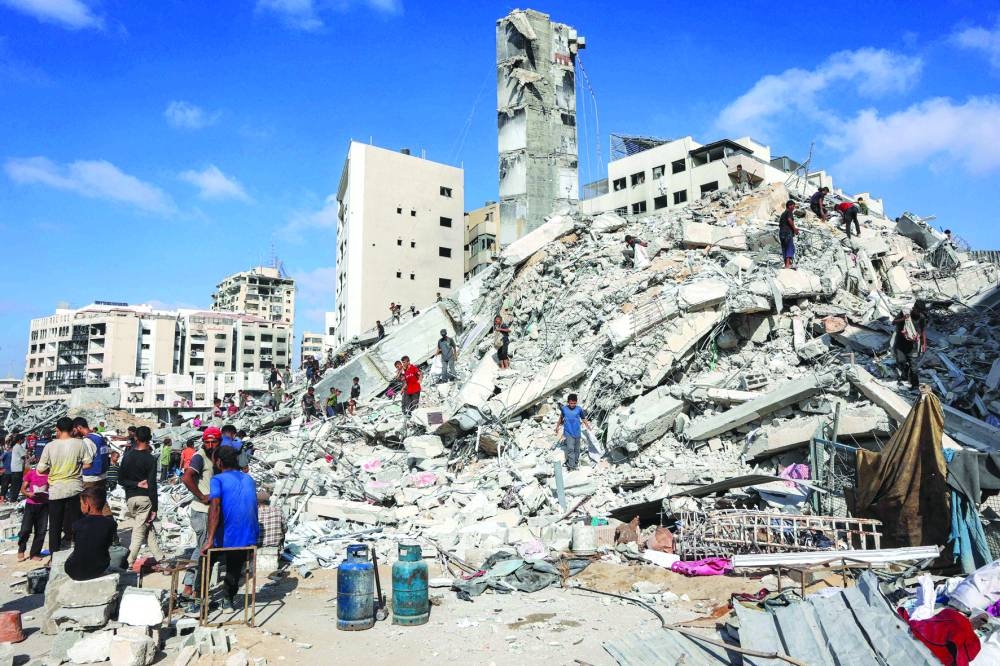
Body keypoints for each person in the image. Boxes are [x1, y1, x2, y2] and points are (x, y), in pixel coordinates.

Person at [203, 446, 258, 611]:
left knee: (205, 559)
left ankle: (199, 599)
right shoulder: (249, 479)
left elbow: (215, 508)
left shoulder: (218, 479)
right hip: (248, 536)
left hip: (228, 534)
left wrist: (210, 539)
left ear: (219, 462)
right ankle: (228, 600)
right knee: (234, 565)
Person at [37, 417, 92, 553]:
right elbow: (88, 464)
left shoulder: (50, 446)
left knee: (55, 525)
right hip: (75, 488)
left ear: (57, 429)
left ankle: (54, 554)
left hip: (56, 490)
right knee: (77, 522)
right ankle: (79, 551)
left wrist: (54, 470)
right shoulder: (80, 444)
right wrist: (75, 468)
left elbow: (40, 470)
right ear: (73, 429)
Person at [182, 427, 221, 611]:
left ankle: (190, 586)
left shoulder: (215, 457)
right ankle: (192, 589)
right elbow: (186, 478)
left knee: (202, 548)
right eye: (207, 442)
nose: (210, 445)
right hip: (202, 510)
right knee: (203, 549)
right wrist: (201, 496)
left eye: (213, 442)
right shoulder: (199, 457)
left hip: (210, 511)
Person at [119, 426, 163, 566]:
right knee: (139, 532)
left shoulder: (127, 456)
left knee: (146, 526)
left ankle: (160, 558)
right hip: (145, 499)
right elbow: (152, 485)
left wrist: (135, 484)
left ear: (136, 438)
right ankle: (128, 563)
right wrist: (155, 508)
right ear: (149, 439)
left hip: (130, 499)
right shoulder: (150, 459)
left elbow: (120, 480)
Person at [64, 486, 116, 581]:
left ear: (87, 505)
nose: (80, 506)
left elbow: (77, 544)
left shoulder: (77, 524)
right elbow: (107, 545)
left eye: (81, 503)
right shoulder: (111, 524)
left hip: (73, 570)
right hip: (98, 569)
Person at [17, 459, 48, 561]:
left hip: (44, 505)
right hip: (31, 505)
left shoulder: (50, 475)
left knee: (41, 531)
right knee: (25, 529)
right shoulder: (31, 473)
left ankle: (35, 553)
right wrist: (28, 494)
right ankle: (21, 550)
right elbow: (23, 489)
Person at [893, 303, 928, 389]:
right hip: (900, 343)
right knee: (901, 361)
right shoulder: (904, 313)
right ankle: (904, 375)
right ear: (913, 308)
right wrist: (903, 319)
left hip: (913, 345)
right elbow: (893, 322)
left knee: (914, 368)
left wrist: (923, 344)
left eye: (920, 311)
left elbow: (923, 331)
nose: (918, 313)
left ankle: (915, 386)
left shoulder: (921, 318)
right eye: (917, 310)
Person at [556, 393, 592, 471]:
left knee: (577, 449)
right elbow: (561, 418)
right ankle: (571, 466)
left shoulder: (579, 409)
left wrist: (588, 426)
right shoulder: (564, 409)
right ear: (568, 402)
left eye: (574, 403)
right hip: (568, 432)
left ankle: (575, 463)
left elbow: (583, 418)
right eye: (571, 403)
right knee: (570, 449)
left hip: (577, 431)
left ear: (576, 402)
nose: (572, 405)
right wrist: (557, 426)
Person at [74, 418, 110, 490]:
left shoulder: (87, 441)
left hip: (90, 479)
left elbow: (87, 464)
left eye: (74, 430)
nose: (74, 432)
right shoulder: (99, 436)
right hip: (103, 476)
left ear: (79, 428)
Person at [778, 200, 799, 269]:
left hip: (781, 232)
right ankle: (787, 265)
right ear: (789, 206)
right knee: (789, 247)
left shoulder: (783, 214)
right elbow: (789, 219)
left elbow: (780, 224)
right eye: (793, 206)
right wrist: (794, 229)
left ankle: (786, 264)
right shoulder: (789, 212)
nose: (793, 208)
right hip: (787, 232)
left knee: (784, 248)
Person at [8, 436, 26, 502]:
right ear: (19, 440)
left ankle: (12, 498)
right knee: (17, 484)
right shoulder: (18, 447)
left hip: (15, 468)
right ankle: (13, 499)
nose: (24, 440)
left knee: (15, 484)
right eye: (23, 439)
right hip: (18, 468)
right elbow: (24, 456)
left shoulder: (16, 446)